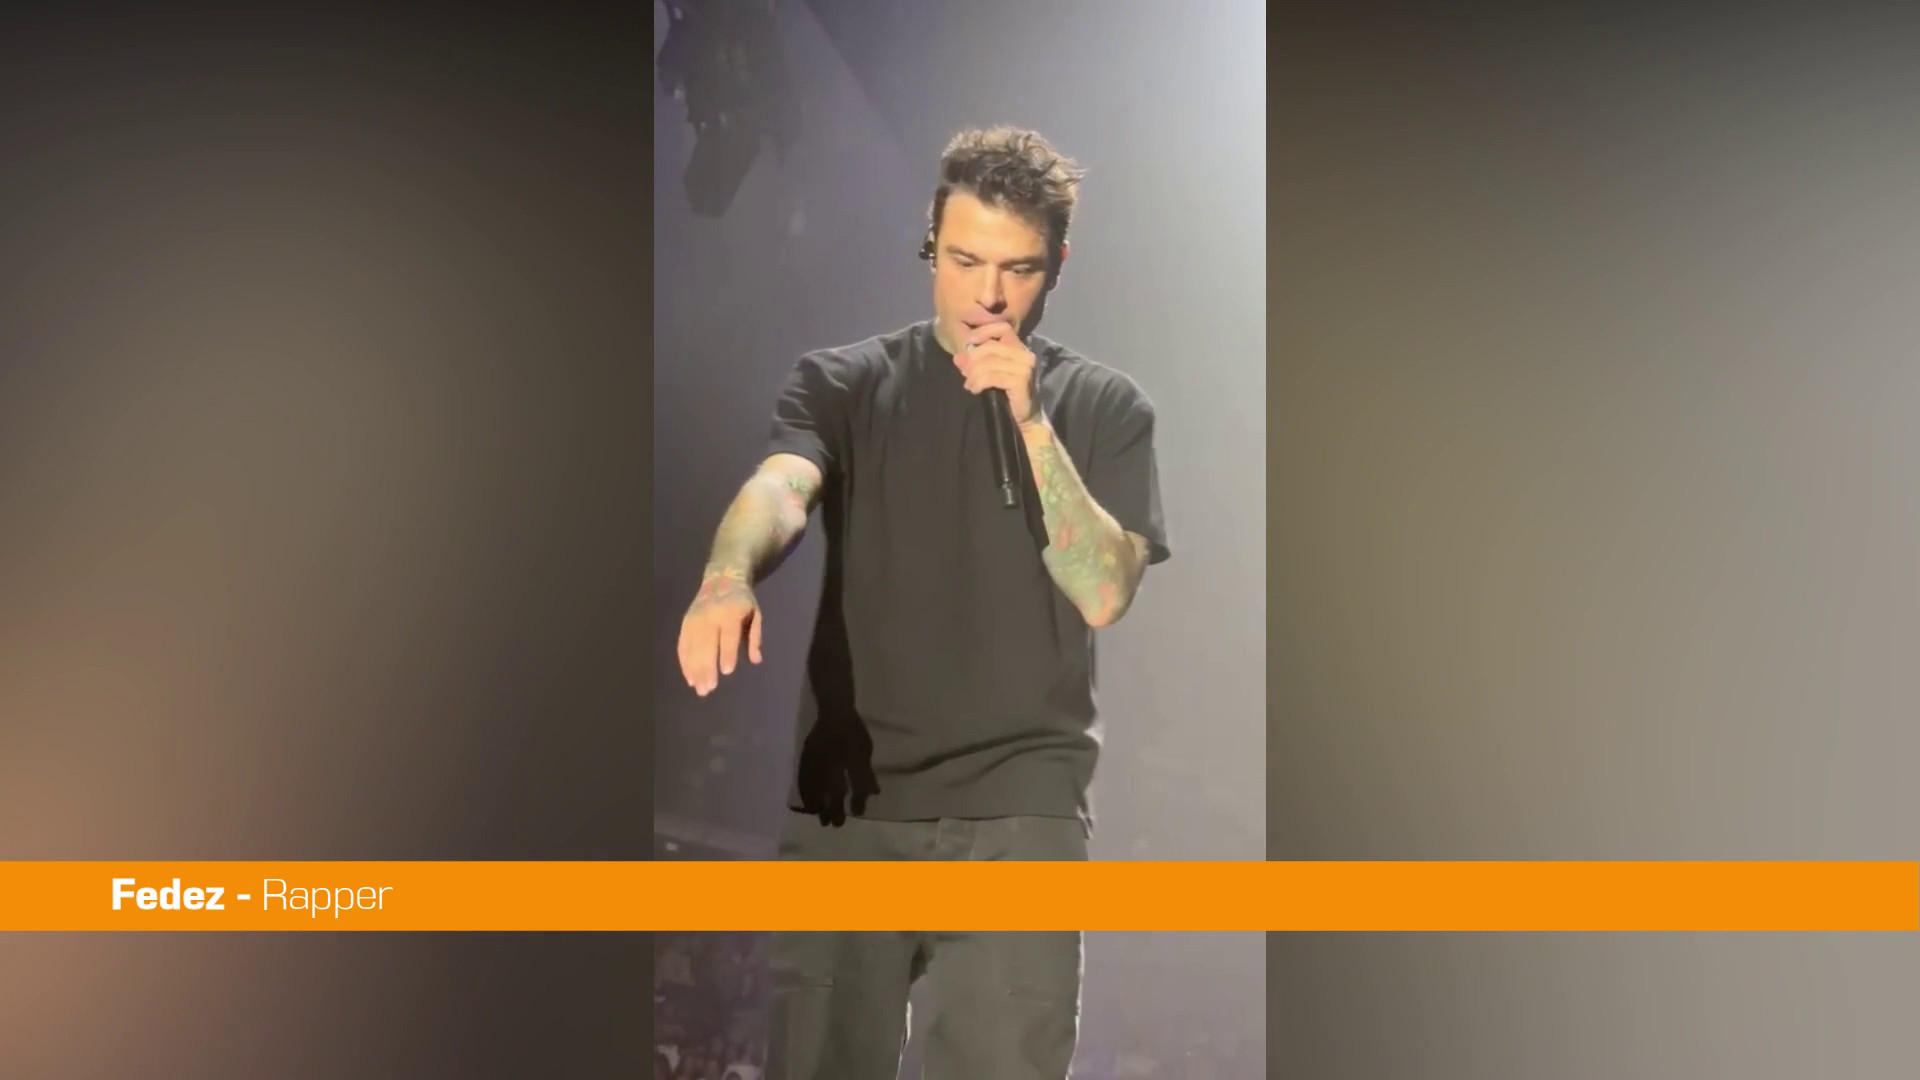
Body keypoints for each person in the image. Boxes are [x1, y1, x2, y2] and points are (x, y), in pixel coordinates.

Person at [676, 126, 1170, 1080]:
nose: (988, 296)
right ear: (929, 245)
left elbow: (1106, 591)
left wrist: (1031, 420)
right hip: (849, 803)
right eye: (964, 261)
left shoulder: (1107, 407)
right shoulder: (846, 382)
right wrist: (727, 576)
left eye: (1018, 270)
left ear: (1058, 266)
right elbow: (783, 485)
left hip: (1022, 809)